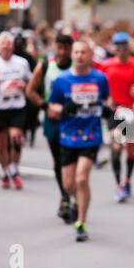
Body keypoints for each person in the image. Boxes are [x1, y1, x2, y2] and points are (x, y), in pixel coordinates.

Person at [48, 39, 110, 242]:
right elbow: (52, 107)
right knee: (68, 184)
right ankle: (76, 201)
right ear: (72, 55)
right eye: (76, 52)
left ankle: (81, 221)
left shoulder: (99, 78)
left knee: (81, 179)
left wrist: (109, 111)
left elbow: (107, 100)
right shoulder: (62, 80)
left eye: (84, 52)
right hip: (67, 137)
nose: (80, 55)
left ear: (90, 54)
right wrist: (64, 109)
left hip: (91, 136)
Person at [26, 33, 74, 224]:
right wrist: (46, 107)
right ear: (54, 46)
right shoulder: (45, 66)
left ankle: (72, 199)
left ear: (71, 48)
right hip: (53, 119)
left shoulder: (77, 66)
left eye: (66, 48)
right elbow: (29, 90)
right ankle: (65, 197)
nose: (62, 52)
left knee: (72, 160)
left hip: (74, 121)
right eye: (59, 47)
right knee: (58, 161)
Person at [100, 31, 134, 202]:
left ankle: (127, 180)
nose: (121, 50)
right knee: (116, 145)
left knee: (129, 149)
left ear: (129, 48)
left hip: (131, 112)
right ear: (114, 48)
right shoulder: (106, 66)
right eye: (118, 47)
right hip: (115, 111)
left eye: (124, 46)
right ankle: (118, 184)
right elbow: (98, 82)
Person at [0, 31, 32, 189]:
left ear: (12, 46)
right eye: (3, 43)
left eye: (8, 43)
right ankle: (6, 172)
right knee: (1, 144)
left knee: (16, 139)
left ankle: (15, 170)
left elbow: (30, 81)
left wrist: (24, 86)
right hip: (0, 107)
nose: (5, 45)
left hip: (17, 106)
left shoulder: (22, 62)